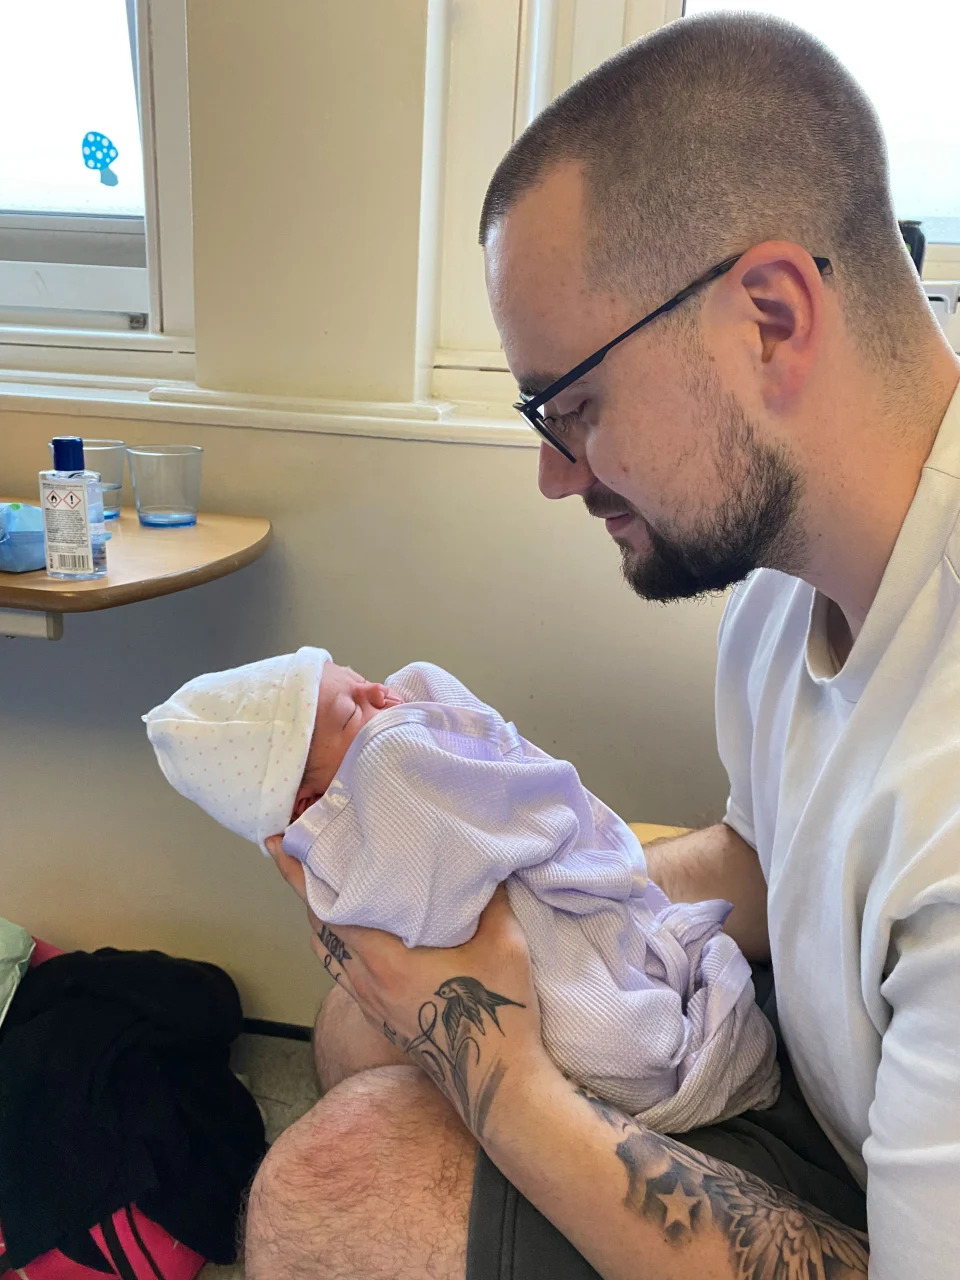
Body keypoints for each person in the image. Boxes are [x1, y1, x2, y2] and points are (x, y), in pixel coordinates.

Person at [243, 11, 960, 1279]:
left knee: (334, 1190)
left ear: (772, 319)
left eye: (571, 405)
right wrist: (529, 880)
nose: (553, 475)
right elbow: (767, 850)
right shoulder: (786, 581)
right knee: (366, 1024)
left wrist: (508, 1068)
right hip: (825, 1075)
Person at [145, 651, 778, 1130]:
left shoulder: (390, 744)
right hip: (527, 970)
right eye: (352, 712)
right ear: (312, 802)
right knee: (604, 1039)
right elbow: (423, 895)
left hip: (553, 925)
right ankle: (675, 1057)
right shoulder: (372, 803)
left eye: (358, 679)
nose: (380, 694)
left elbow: (504, 784)